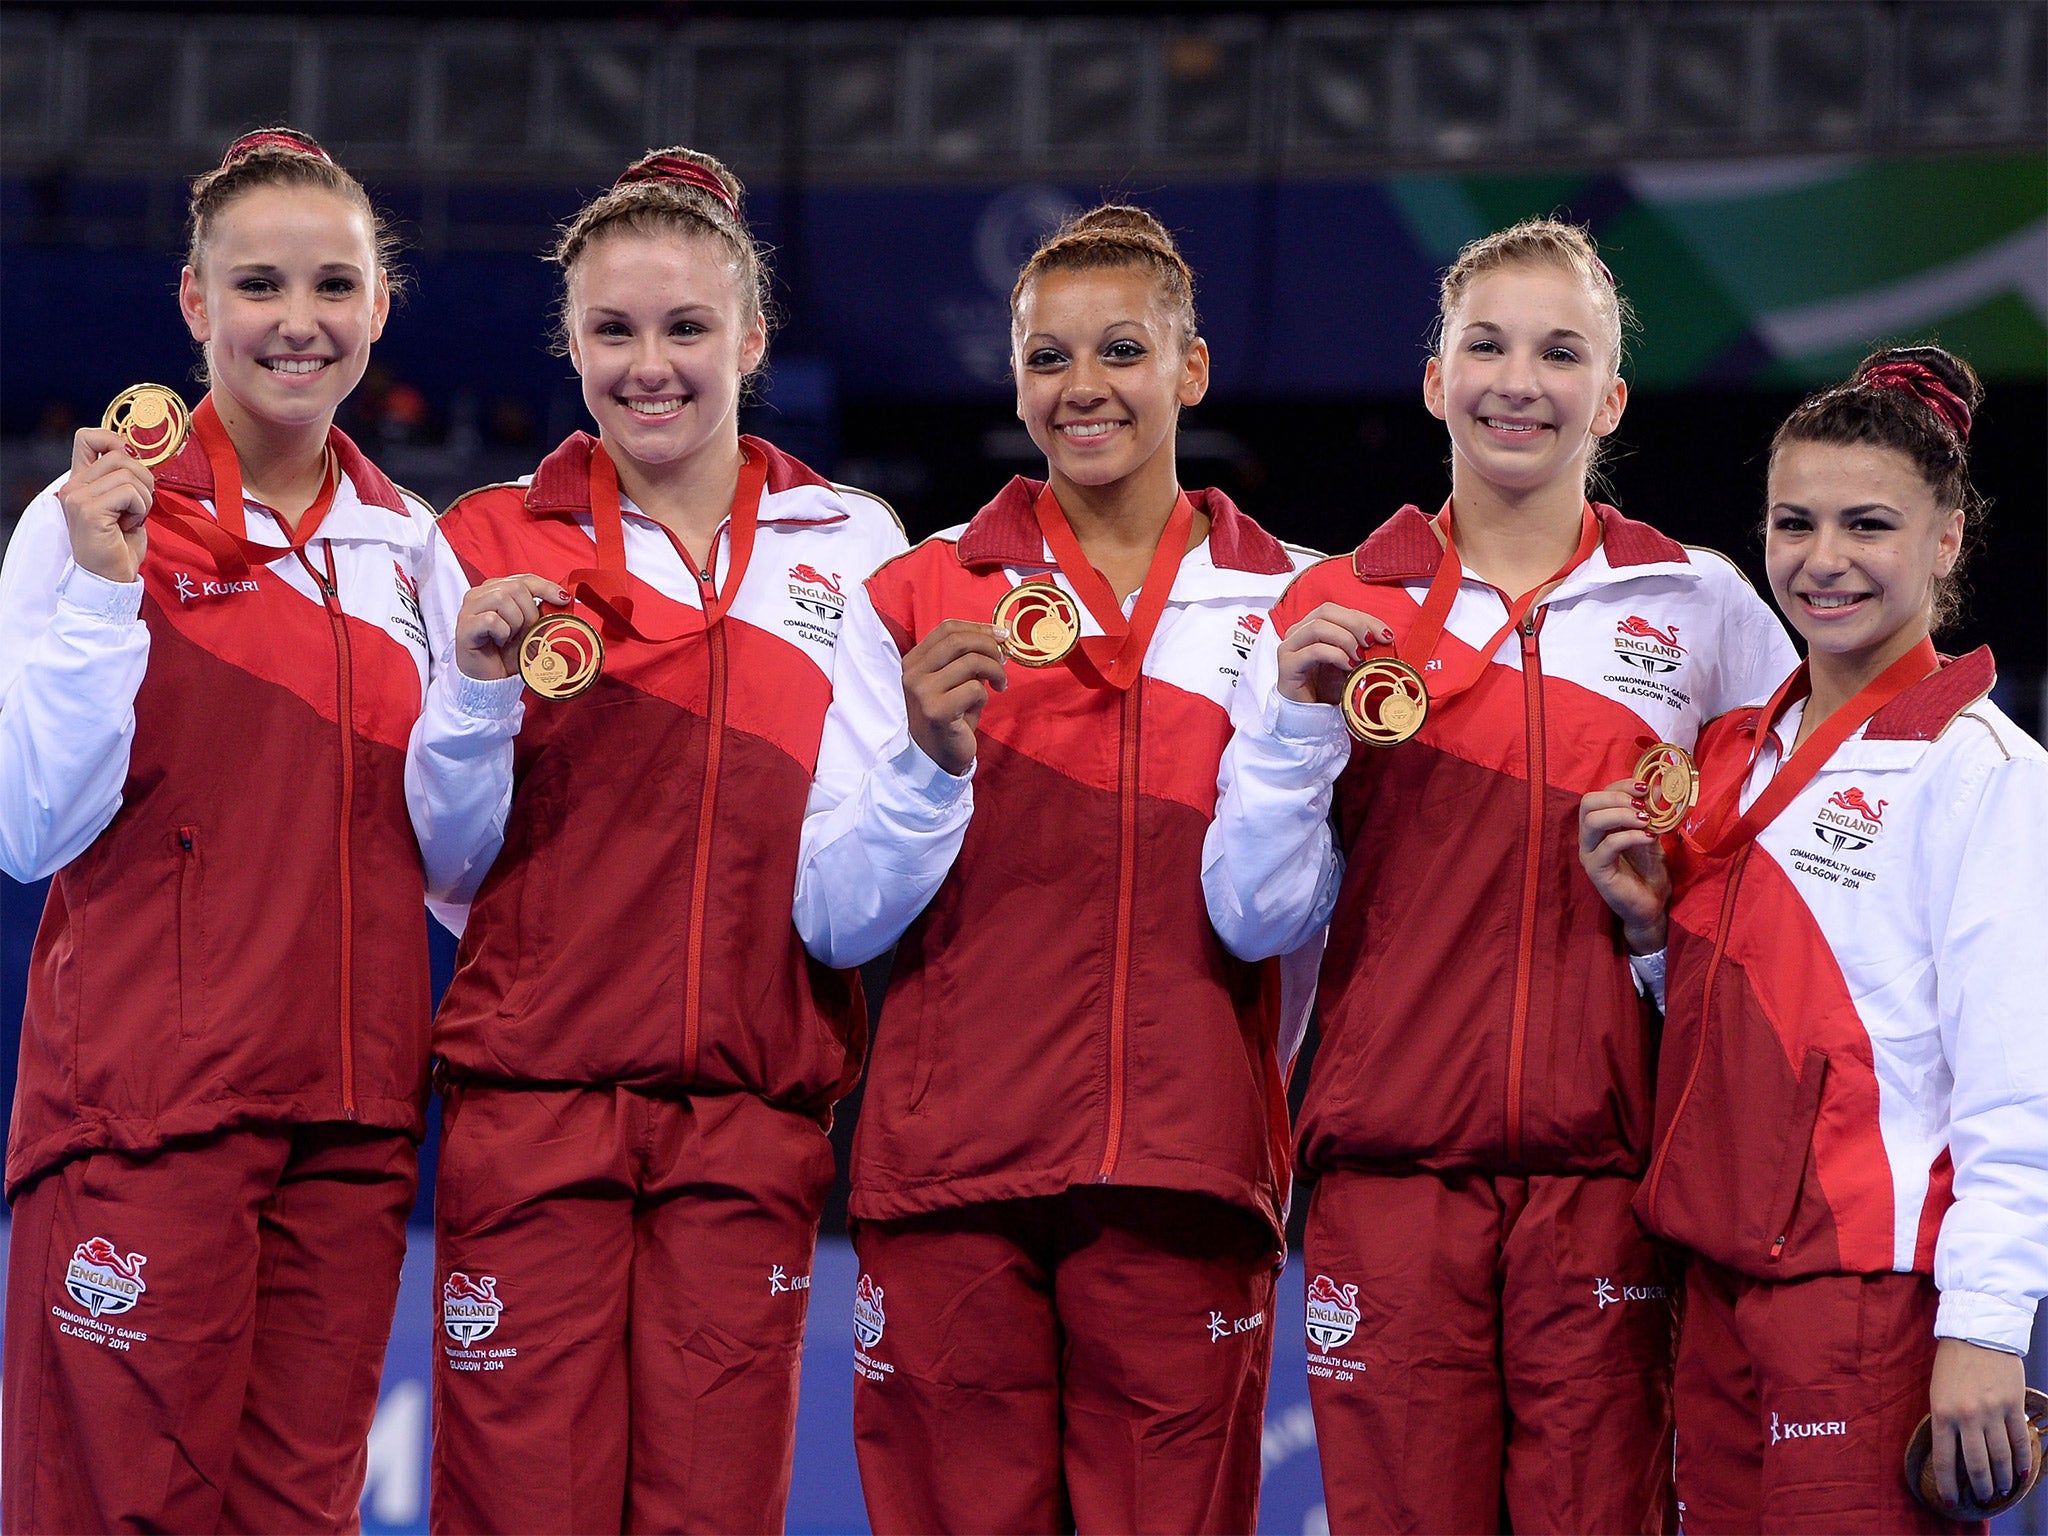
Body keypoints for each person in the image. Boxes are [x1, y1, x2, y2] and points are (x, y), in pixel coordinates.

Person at [1204, 218, 1798, 1534]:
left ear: (1612, 396)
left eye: (1560, 350)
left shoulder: (1706, 608)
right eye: (1486, 344)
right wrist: (1301, 727)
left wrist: (1655, 938)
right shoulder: (1328, 607)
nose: (1518, 380)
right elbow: (1248, 914)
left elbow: (1781, 918)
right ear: (1434, 378)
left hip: (1608, 1198)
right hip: (1388, 1192)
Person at [794, 204, 1319, 1534]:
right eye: (1048, 358)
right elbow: (835, 918)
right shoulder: (917, 597)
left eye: (1123, 352)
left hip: (1185, 1178)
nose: (1083, 389)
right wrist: (924, 758)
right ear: (1015, 375)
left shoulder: (1301, 610)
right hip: (949, 1180)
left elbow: (1292, 918)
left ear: (1190, 371)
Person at [407, 146, 906, 1533]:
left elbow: (853, 878)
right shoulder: (488, 539)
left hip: (753, 1119)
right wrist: (471, 688)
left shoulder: (857, 547)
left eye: (686, 328)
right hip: (535, 1107)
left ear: (751, 335)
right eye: (614, 330)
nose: (651, 365)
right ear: (569, 343)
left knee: (711, 1511)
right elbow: (448, 863)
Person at [0, 128, 435, 1532]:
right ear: (195, 306)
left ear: (382, 304)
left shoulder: (415, 548)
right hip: (147, 1117)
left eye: (332, 287)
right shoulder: (86, 523)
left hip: (353, 1133)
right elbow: (28, 826)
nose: (297, 323)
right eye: (258, 286)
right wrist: (98, 594)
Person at [1578, 345, 2047, 1533]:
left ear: (1944, 540)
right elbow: (1746, 1026)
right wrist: (1647, 937)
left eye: (1866, 525)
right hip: (1716, 1289)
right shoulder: (1727, 757)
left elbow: (2014, 1089)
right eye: (1793, 523)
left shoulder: (1982, 774)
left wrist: (1984, 1329)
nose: (1821, 560)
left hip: (1864, 1307)